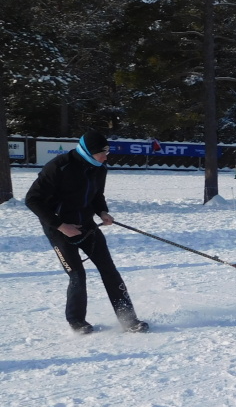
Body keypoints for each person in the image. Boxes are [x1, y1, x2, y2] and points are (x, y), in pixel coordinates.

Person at [25, 131, 149, 334]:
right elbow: (32, 200)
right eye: (102, 153)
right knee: (77, 275)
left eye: (107, 152)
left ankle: (128, 319)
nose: (106, 157)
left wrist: (102, 211)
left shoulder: (99, 168)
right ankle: (77, 322)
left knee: (109, 270)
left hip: (86, 225)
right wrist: (61, 226)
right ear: (89, 152)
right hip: (59, 228)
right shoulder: (58, 166)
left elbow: (96, 194)